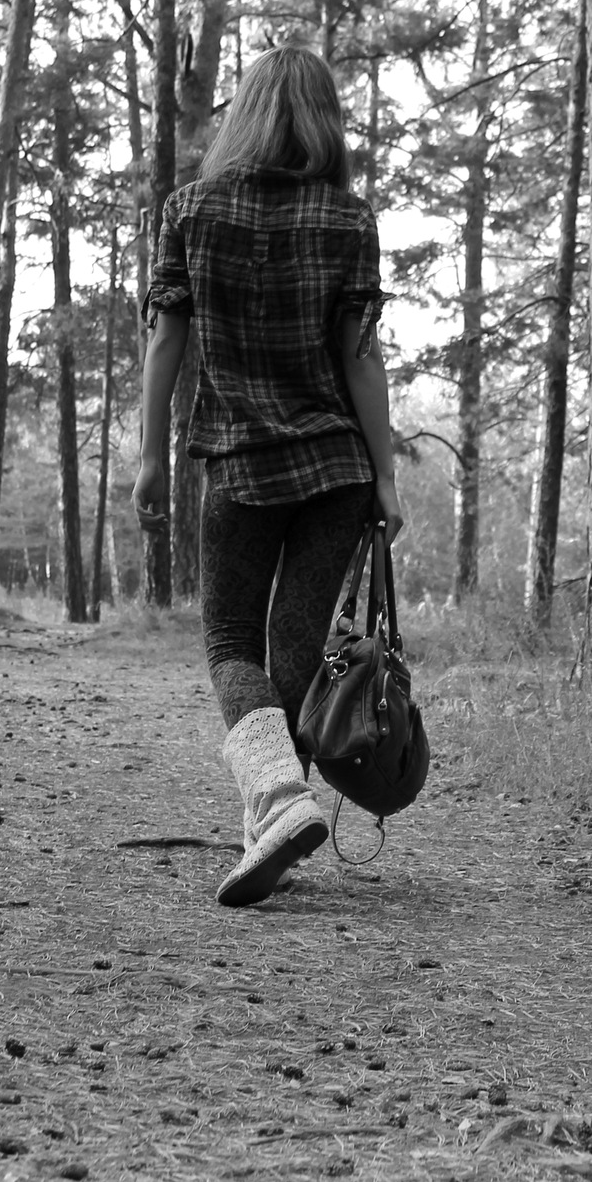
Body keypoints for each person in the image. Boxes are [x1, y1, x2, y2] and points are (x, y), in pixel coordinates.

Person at [132, 45, 403, 909]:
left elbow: (165, 343)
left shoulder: (190, 210)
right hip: (335, 468)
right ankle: (274, 820)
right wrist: (385, 476)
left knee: (230, 644)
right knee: (292, 653)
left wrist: (149, 458)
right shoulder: (348, 220)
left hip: (239, 463)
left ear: (244, 113)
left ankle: (278, 802)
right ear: (325, 119)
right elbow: (361, 361)